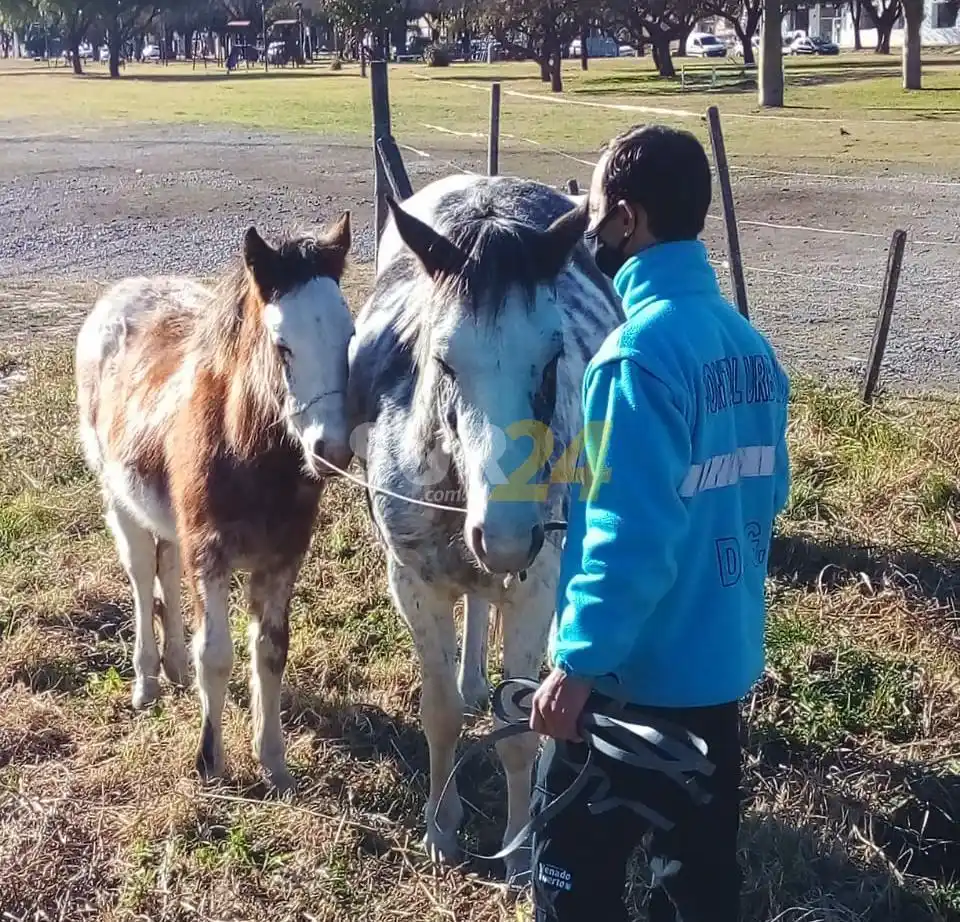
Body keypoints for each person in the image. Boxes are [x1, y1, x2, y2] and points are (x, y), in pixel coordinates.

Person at [527, 124, 792, 922]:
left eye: (597, 202)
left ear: (627, 219)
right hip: (718, 675)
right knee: (699, 886)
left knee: (572, 871)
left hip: (631, 686)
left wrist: (576, 666)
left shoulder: (633, 359)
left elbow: (628, 537)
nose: (589, 221)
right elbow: (764, 496)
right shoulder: (750, 347)